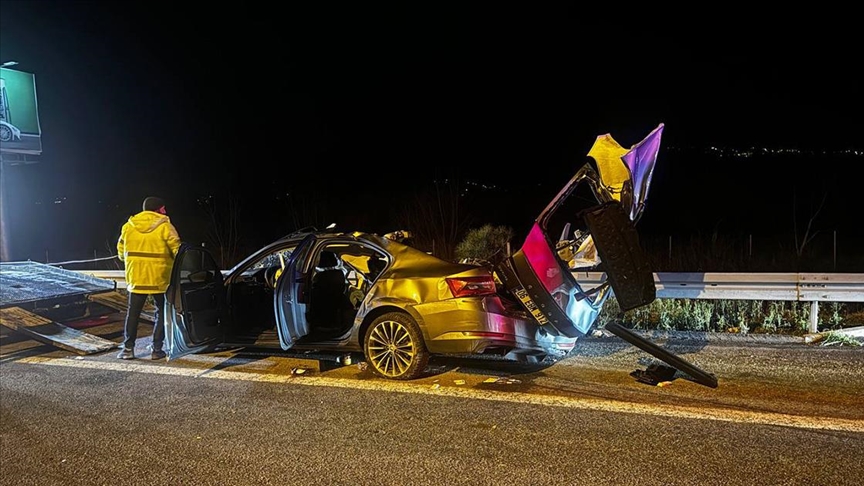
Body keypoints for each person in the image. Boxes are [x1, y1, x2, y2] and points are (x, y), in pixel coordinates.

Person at [116, 196, 181, 360]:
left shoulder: (128, 227)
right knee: (161, 312)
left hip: (136, 278)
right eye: (163, 209)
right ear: (158, 209)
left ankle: (127, 349)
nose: (165, 211)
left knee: (133, 314)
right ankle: (156, 350)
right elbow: (178, 252)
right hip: (159, 279)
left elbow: (120, 252)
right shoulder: (166, 227)